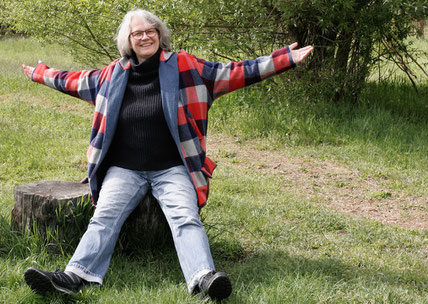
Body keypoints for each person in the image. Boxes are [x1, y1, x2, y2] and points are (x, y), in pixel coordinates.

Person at [21, 9, 312, 301]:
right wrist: (40, 73)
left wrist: (284, 59)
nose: (145, 36)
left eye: (151, 31)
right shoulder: (112, 73)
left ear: (160, 36)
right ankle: (73, 277)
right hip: (124, 169)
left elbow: (235, 72)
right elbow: (73, 80)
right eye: (138, 33)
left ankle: (204, 278)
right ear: (128, 41)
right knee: (103, 217)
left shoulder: (185, 66)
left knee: (186, 217)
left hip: (173, 168)